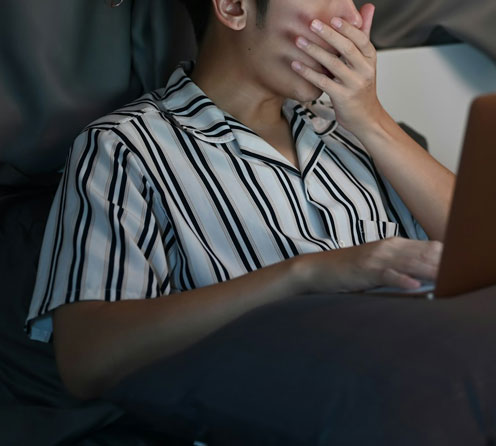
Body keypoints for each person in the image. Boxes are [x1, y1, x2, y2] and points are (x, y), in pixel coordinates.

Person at [25, 0, 455, 401]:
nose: (352, 18)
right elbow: (87, 359)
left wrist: (373, 120)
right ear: (233, 6)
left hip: (431, 375)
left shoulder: (354, 132)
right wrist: (306, 275)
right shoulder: (125, 148)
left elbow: (483, 253)